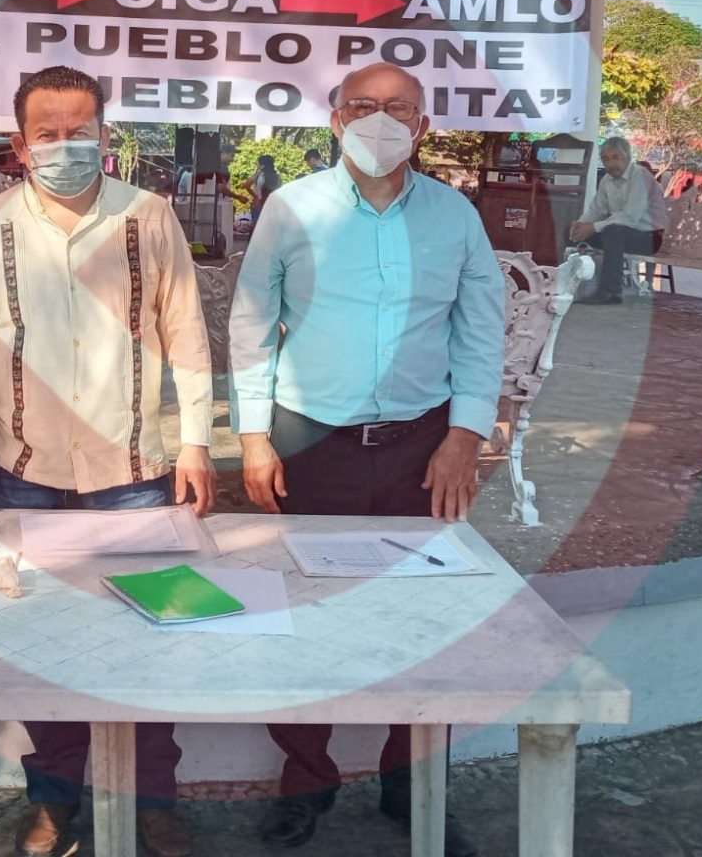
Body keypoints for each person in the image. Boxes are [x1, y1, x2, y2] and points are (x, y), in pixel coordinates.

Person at [0, 66, 215, 857]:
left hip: (135, 475)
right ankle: (54, 801)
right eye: (47, 134)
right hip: (24, 471)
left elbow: (186, 331)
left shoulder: (147, 216)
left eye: (79, 131)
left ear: (104, 135)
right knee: (42, 648)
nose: (65, 147)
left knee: (150, 642)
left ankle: (152, 800)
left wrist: (196, 441)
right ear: (20, 147)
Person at [228, 62, 502, 857]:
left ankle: (410, 787)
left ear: (424, 125)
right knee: (300, 617)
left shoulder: (455, 215)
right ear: (335, 119)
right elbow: (252, 323)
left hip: (423, 447)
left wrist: (465, 436)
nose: (380, 121)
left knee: (423, 621)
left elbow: (480, 328)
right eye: (362, 106)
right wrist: (252, 436)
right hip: (309, 442)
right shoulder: (292, 206)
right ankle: (303, 783)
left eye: (398, 109)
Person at [569, 137, 663, 304]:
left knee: (612, 231)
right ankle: (569, 287)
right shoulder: (606, 180)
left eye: (615, 157)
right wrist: (580, 224)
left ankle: (611, 292)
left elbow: (630, 217)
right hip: (621, 233)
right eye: (606, 159)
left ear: (627, 157)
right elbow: (596, 209)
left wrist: (593, 227)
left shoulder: (640, 175)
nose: (610, 164)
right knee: (573, 233)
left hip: (649, 237)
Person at [250, 154, 282, 227]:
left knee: (257, 227)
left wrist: (255, 196)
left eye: (258, 163)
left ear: (262, 165)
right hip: (271, 205)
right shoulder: (276, 176)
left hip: (258, 205)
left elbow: (246, 185)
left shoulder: (259, 176)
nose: (256, 165)